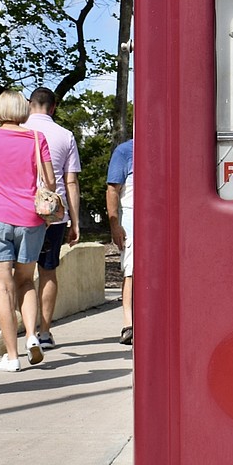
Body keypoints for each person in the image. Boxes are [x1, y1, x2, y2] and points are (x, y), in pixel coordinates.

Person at [0, 91, 56, 372]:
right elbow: (51, 182)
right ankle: (32, 335)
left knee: (2, 287)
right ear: (23, 110)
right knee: (27, 282)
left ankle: (13, 357)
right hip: (30, 218)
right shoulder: (36, 138)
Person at [24, 87, 81, 349]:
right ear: (53, 107)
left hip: (22, 211)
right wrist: (75, 221)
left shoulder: (18, 130)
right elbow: (70, 181)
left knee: (20, 274)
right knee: (48, 271)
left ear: (29, 104)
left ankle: (26, 333)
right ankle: (45, 331)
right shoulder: (66, 135)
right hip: (54, 215)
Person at [106, 137, 134, 346]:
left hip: (164, 216)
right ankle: (129, 324)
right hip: (132, 216)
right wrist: (115, 225)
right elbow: (113, 189)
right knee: (131, 269)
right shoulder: (125, 151)